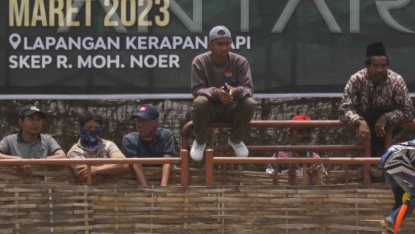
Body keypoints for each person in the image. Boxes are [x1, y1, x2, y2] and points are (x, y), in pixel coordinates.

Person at [191, 24, 256, 158]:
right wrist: (216, 93)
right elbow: (197, 90)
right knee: (199, 101)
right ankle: (200, 141)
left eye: (227, 43)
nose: (224, 47)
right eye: (219, 44)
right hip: (210, 109)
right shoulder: (199, 61)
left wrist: (234, 92)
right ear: (210, 45)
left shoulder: (240, 61)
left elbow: (248, 88)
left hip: (232, 108)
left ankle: (236, 139)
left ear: (231, 44)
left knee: (250, 103)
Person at [339, 41, 414, 157]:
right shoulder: (356, 79)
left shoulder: (396, 80)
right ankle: (377, 160)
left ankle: (377, 159)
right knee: (369, 116)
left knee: (376, 118)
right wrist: (360, 122)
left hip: (390, 126)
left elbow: (408, 110)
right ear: (367, 66)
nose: (379, 70)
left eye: (383, 66)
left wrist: (386, 117)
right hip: (365, 128)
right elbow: (344, 109)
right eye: (375, 66)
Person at [0, 104, 66, 170]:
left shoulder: (47, 139)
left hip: (41, 183)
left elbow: (62, 156)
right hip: (15, 182)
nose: (36, 123)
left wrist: (40, 161)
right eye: (31, 119)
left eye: (38, 120)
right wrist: (18, 161)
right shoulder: (10, 140)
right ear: (21, 122)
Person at [121, 103, 177, 187]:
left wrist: (163, 186)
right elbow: (136, 164)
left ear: (155, 123)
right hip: (136, 182)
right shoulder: (129, 139)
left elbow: (167, 161)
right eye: (138, 121)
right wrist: (146, 189)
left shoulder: (166, 135)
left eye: (144, 121)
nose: (139, 125)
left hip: (162, 179)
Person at [266, 114, 329, 186]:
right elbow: (268, 181)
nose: (305, 135)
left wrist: (314, 178)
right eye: (300, 131)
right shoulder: (279, 156)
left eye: (308, 131)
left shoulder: (316, 158)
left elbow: (324, 184)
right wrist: (287, 177)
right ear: (290, 135)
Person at [67, 113, 126, 184]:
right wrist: (113, 170)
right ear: (81, 129)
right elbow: (92, 179)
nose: (93, 131)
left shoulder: (108, 145)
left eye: (96, 128)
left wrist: (97, 170)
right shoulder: (74, 152)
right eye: (89, 127)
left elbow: (124, 164)